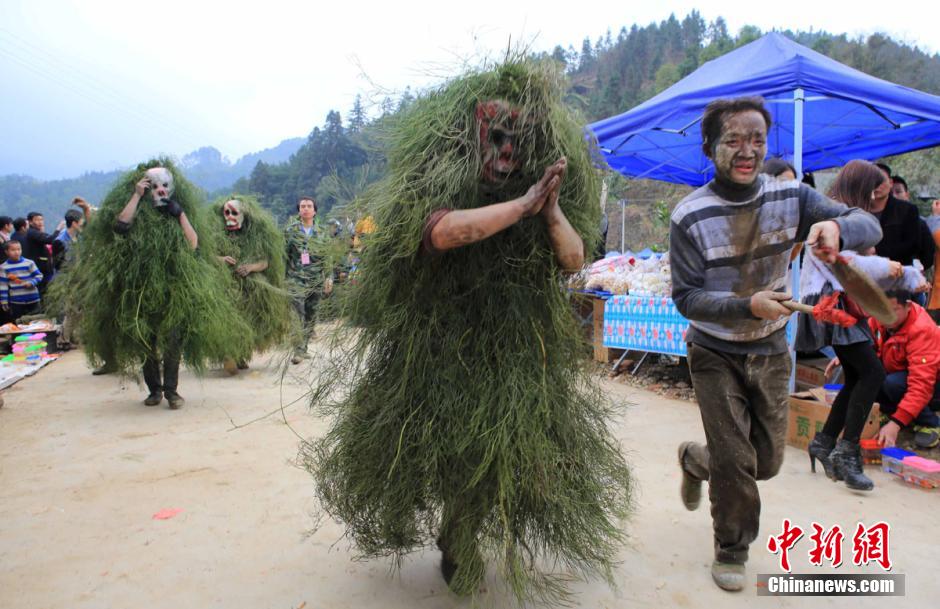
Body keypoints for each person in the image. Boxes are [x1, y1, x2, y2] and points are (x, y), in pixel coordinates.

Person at [304, 61, 631, 604]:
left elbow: (573, 259)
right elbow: (441, 232)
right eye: (496, 137)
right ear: (468, 138)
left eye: (518, 143)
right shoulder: (435, 186)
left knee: (495, 451)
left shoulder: (539, 199)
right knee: (454, 449)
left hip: (515, 350)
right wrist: (522, 205)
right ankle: (456, 538)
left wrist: (548, 210)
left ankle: (462, 534)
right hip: (441, 348)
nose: (506, 153)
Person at [671, 97, 881, 592]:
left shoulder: (792, 198)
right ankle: (732, 548)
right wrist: (749, 305)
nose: (747, 151)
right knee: (736, 460)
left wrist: (836, 226)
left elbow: (869, 223)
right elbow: (686, 297)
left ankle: (695, 460)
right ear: (709, 147)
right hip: (714, 349)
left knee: (765, 462)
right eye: (733, 140)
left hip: (769, 348)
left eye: (757, 140)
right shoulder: (689, 215)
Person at [71, 160, 252, 410]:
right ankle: (154, 390)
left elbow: (193, 244)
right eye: (154, 186)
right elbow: (121, 226)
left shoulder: (176, 214)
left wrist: (180, 214)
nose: (160, 191)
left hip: (173, 289)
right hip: (140, 290)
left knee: (173, 342)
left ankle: (172, 392)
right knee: (146, 342)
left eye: (164, 186)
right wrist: (137, 195)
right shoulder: (138, 213)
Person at [800, 160, 926, 492]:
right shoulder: (833, 218)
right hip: (834, 304)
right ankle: (846, 452)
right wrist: (899, 270)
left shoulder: (843, 217)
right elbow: (849, 264)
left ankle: (825, 443)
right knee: (872, 373)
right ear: (859, 188)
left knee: (859, 376)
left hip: (841, 303)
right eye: (870, 191)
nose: (874, 198)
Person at [206, 195, 290, 373]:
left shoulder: (255, 238)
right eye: (226, 213)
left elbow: (265, 261)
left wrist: (251, 267)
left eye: (234, 213)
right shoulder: (216, 235)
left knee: (247, 320)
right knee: (228, 319)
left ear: (244, 215)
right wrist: (221, 259)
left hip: (249, 287)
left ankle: (240, 355)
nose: (230, 217)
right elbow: (207, 255)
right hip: (225, 285)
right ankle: (228, 354)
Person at [865, 293, 940, 449]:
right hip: (897, 374)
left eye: (893, 310)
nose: (886, 315)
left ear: (908, 306)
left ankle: (930, 422)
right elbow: (867, 344)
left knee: (893, 384)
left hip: (931, 386)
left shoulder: (922, 329)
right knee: (867, 369)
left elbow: (921, 384)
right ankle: (891, 411)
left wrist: (896, 424)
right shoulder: (879, 319)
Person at [284, 196, 331, 364]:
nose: (305, 209)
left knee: (311, 315)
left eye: (309, 206)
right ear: (299, 211)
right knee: (297, 314)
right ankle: (298, 350)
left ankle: (303, 348)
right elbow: (284, 256)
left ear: (315, 211)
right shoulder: (290, 231)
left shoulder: (322, 232)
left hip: (315, 279)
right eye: (302, 206)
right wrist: (282, 278)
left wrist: (329, 278)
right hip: (295, 278)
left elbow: (328, 256)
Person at [872, 162, 933, 268]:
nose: (876, 185)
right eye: (871, 180)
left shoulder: (908, 210)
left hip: (900, 271)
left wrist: (877, 251)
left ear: (890, 182)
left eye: (880, 180)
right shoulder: (859, 210)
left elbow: (914, 245)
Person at [22, 211, 63, 296]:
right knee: (43, 290)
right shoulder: (32, 232)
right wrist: (58, 229)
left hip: (42, 267)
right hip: (40, 267)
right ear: (30, 222)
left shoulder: (35, 232)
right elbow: (50, 240)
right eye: (37, 220)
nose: (40, 222)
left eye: (41, 220)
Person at [0, 240, 43, 320]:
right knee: (19, 322)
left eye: (19, 249)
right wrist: (4, 301)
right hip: (16, 301)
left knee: (36, 321)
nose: (17, 252)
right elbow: (3, 286)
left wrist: (31, 283)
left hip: (33, 299)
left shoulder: (29, 263)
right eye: (13, 250)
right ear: (6, 252)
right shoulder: (3, 267)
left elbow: (39, 275)